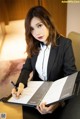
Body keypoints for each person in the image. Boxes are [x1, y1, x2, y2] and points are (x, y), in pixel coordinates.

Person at [12, 6, 77, 119]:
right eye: (32, 29)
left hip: (56, 95)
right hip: (36, 92)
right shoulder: (34, 44)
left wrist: (58, 103)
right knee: (14, 112)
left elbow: (70, 77)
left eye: (39, 25)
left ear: (48, 22)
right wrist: (20, 85)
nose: (36, 33)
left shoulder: (65, 44)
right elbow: (27, 68)